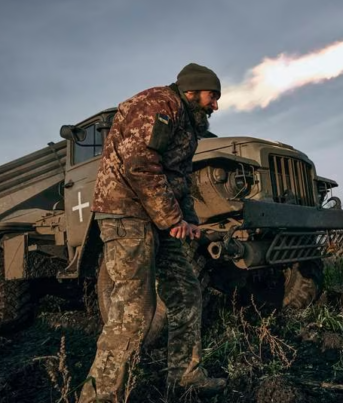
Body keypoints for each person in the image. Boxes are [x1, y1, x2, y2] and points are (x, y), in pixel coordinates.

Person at [79, 63, 226, 402]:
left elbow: (180, 180)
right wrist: (173, 219)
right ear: (191, 91)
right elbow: (140, 164)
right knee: (133, 311)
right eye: (211, 96)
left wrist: (190, 224)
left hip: (158, 220)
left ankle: (185, 377)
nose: (215, 105)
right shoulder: (159, 105)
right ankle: (99, 396)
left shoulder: (187, 122)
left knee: (187, 294)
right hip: (128, 215)